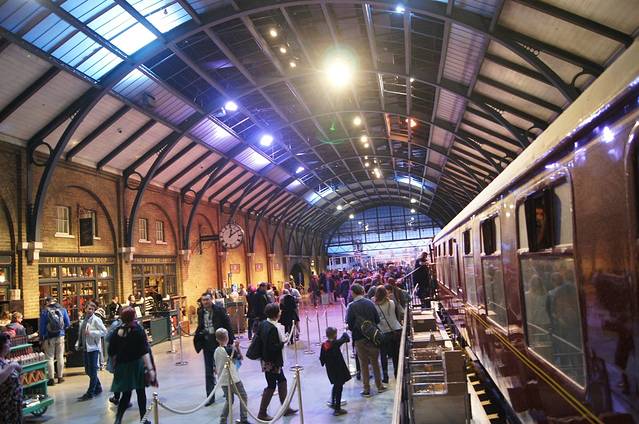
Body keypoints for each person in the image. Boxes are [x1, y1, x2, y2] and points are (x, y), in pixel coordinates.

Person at [108, 307, 155, 424]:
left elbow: (111, 351)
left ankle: (118, 419)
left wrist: (115, 364)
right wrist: (150, 369)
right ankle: (143, 419)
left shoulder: (117, 331)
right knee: (141, 393)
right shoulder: (138, 330)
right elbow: (144, 351)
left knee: (126, 394)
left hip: (122, 367)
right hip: (137, 365)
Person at [257, 303, 297, 420]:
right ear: (276, 313)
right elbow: (273, 347)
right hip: (272, 362)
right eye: (279, 310)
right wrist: (283, 343)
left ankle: (285, 408)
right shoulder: (273, 328)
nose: (281, 312)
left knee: (282, 380)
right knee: (271, 386)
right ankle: (262, 413)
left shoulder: (264, 324)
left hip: (266, 360)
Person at [194, 292, 234, 405]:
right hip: (207, 344)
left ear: (211, 299)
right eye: (203, 300)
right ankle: (210, 398)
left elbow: (227, 324)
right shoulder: (200, 312)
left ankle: (228, 393)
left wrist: (231, 341)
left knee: (223, 370)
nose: (205, 302)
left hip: (219, 343)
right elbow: (200, 326)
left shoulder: (219, 310)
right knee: (208, 372)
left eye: (207, 299)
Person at [346, 283, 386, 397]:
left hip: (359, 338)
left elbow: (349, 324)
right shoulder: (369, 303)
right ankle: (379, 386)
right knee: (375, 362)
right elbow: (377, 320)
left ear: (353, 292)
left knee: (363, 364)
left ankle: (366, 389)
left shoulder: (351, 306)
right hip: (372, 337)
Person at [214, 328, 249, 424]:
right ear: (227, 338)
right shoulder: (229, 350)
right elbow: (240, 357)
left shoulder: (216, 351)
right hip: (233, 379)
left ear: (217, 339)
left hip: (223, 380)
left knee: (229, 400)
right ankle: (244, 419)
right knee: (243, 396)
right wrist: (237, 347)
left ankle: (223, 420)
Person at [76, 301, 107, 401]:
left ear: (94, 310)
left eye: (92, 309)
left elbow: (104, 332)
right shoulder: (83, 320)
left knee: (93, 371)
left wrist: (91, 333)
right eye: (88, 309)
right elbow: (81, 334)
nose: (90, 311)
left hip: (93, 348)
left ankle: (90, 393)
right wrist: (78, 343)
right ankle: (98, 387)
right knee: (88, 370)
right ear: (85, 309)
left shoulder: (96, 320)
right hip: (85, 348)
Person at [39, 296, 71, 385]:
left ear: (48, 302)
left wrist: (41, 337)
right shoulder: (63, 310)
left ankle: (51, 379)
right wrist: (62, 330)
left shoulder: (45, 312)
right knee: (60, 356)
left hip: (49, 338)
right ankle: (60, 377)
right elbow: (68, 323)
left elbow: (41, 327)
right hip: (60, 336)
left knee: (50, 357)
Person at [319, 327, 351, 416]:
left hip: (330, 371)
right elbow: (346, 338)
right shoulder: (336, 343)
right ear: (335, 335)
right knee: (339, 388)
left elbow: (321, 359)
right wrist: (344, 332)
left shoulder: (324, 345)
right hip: (338, 370)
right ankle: (337, 409)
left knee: (335, 386)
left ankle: (333, 402)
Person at [374, 286, 402, 382]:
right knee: (395, 354)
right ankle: (397, 373)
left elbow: (376, 320)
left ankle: (385, 376)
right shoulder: (391, 303)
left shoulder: (376, 306)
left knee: (383, 355)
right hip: (396, 330)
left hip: (383, 332)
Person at [0, 332, 23, 423]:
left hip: (14, 405)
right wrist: (12, 365)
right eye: (7, 342)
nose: (10, 343)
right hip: (5, 407)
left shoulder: (5, 360)